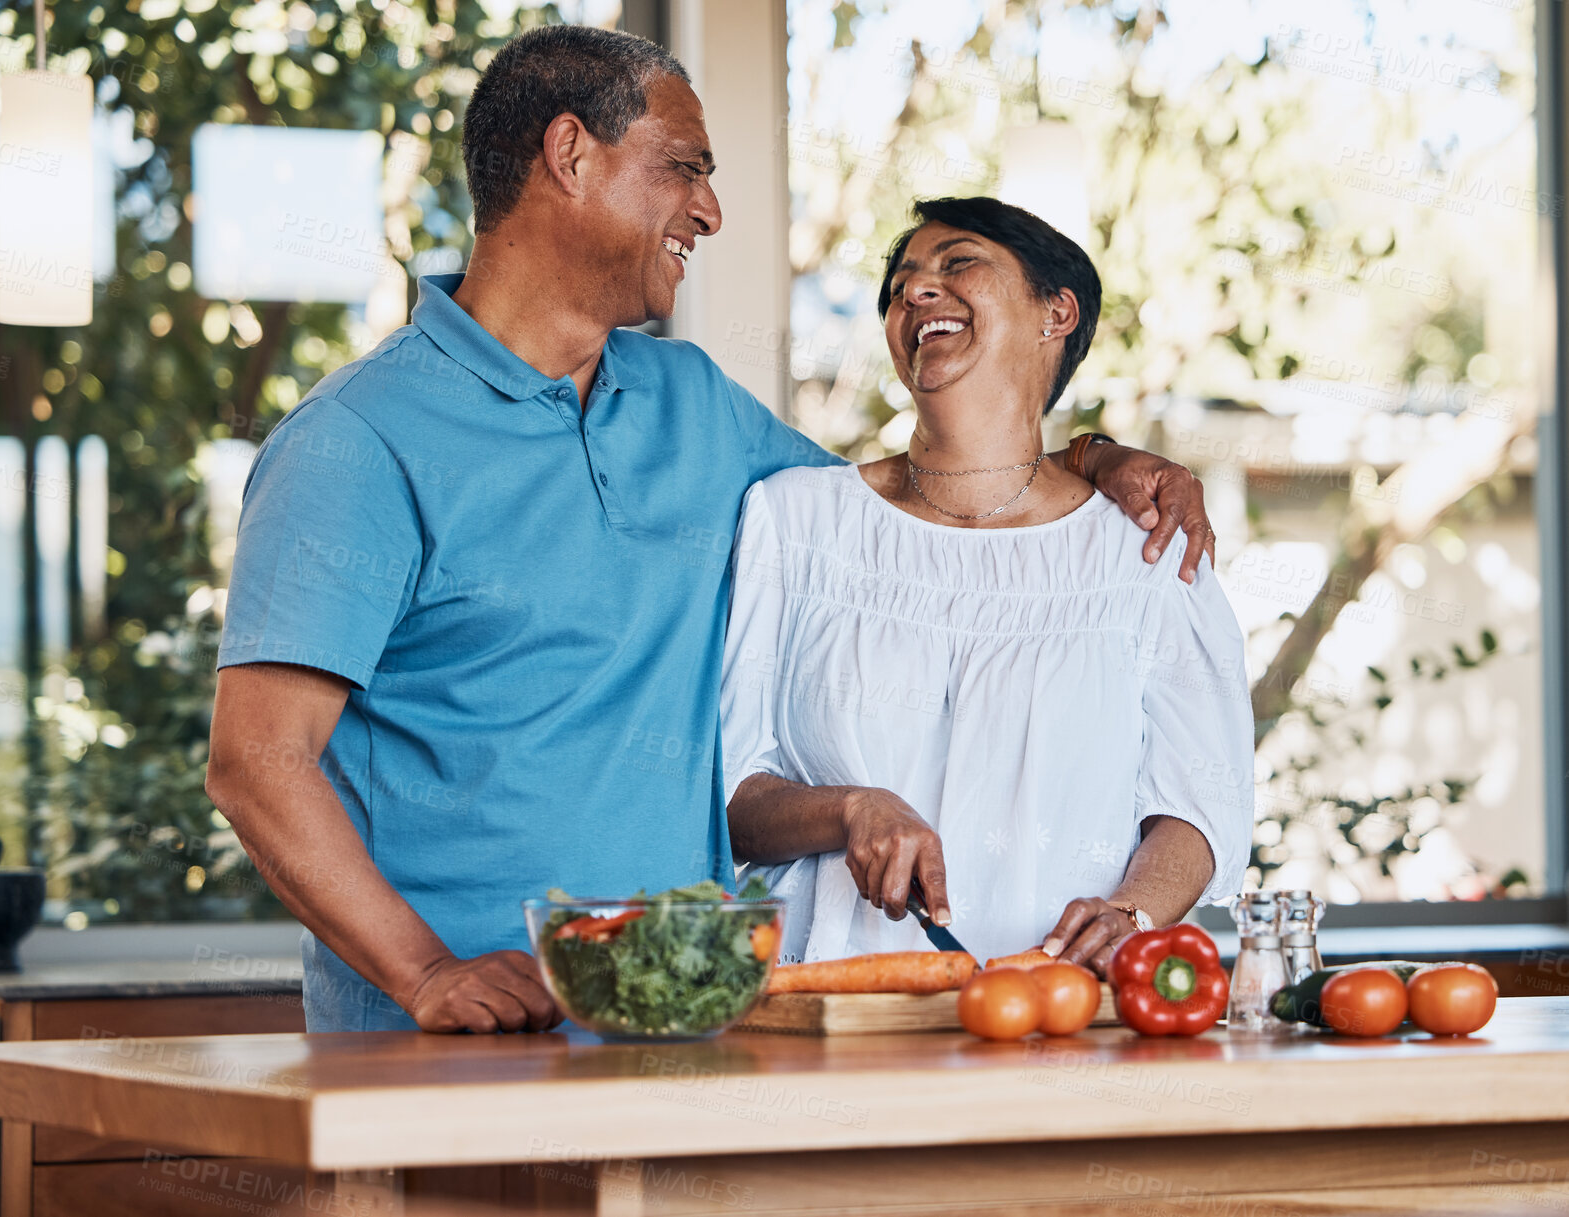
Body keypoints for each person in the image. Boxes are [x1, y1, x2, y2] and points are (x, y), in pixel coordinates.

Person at [205, 27, 1221, 1035]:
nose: (710, 209)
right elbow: (257, 760)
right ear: (569, 155)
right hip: (447, 1043)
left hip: (676, 1029)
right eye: (682, 168)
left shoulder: (686, 399)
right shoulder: (357, 441)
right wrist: (423, 969)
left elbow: (916, 513)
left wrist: (1093, 461)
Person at [722, 197, 1253, 976]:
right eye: (901, 284)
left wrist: (1130, 912)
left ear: (1056, 312)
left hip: (1058, 1008)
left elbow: (1200, 801)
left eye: (956, 263)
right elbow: (731, 797)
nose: (915, 293)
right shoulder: (795, 519)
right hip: (825, 1007)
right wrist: (849, 808)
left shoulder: (1146, 543)